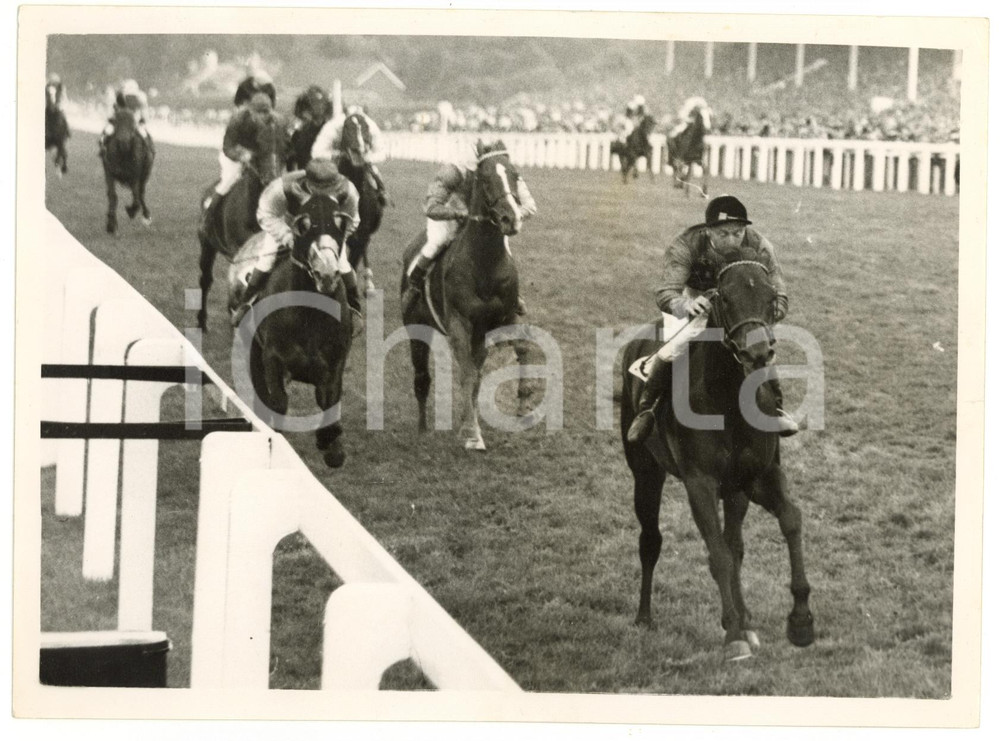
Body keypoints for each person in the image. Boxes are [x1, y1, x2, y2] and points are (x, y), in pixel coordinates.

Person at [626, 195, 799, 444]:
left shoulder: (760, 245)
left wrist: (766, 315)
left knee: (759, 344)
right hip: (698, 299)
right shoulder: (686, 244)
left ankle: (778, 407)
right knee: (677, 344)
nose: (732, 241)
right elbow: (666, 291)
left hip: (737, 302)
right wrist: (687, 305)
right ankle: (647, 408)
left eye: (738, 233)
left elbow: (779, 290)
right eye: (724, 234)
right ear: (708, 231)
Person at [401, 146, 537, 315]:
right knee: (438, 240)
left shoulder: (501, 169)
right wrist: (457, 214)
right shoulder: (454, 171)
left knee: (502, 244)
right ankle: (414, 286)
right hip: (449, 214)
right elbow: (431, 208)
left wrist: (510, 215)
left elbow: (529, 206)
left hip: (482, 217)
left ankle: (512, 294)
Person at [231, 159, 362, 327]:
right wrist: (289, 238)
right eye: (320, 190)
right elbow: (266, 214)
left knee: (342, 264)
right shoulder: (281, 188)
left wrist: (335, 241)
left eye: (329, 189)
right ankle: (245, 304)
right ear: (308, 183)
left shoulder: (347, 190)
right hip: (288, 223)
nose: (325, 194)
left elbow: (352, 220)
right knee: (267, 259)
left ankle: (355, 310)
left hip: (328, 229)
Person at [199, 92, 276, 237]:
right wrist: (240, 155)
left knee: (271, 181)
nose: (264, 118)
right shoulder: (237, 120)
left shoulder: (271, 122)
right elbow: (227, 147)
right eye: (260, 114)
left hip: (254, 156)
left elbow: (267, 149)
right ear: (252, 112)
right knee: (229, 180)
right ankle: (207, 217)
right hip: (232, 155)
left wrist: (266, 166)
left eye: (266, 113)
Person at [311, 104, 390, 206]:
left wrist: (367, 158)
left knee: (374, 174)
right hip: (338, 161)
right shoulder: (333, 126)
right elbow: (316, 152)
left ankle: (381, 192)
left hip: (364, 161)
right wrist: (337, 155)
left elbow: (382, 153)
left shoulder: (371, 125)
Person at [99, 79, 152, 155]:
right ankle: (103, 148)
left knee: (143, 134)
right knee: (107, 131)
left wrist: (143, 120)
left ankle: (147, 152)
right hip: (120, 122)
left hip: (134, 122)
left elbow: (144, 111)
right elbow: (113, 110)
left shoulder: (140, 98)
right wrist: (112, 118)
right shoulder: (119, 96)